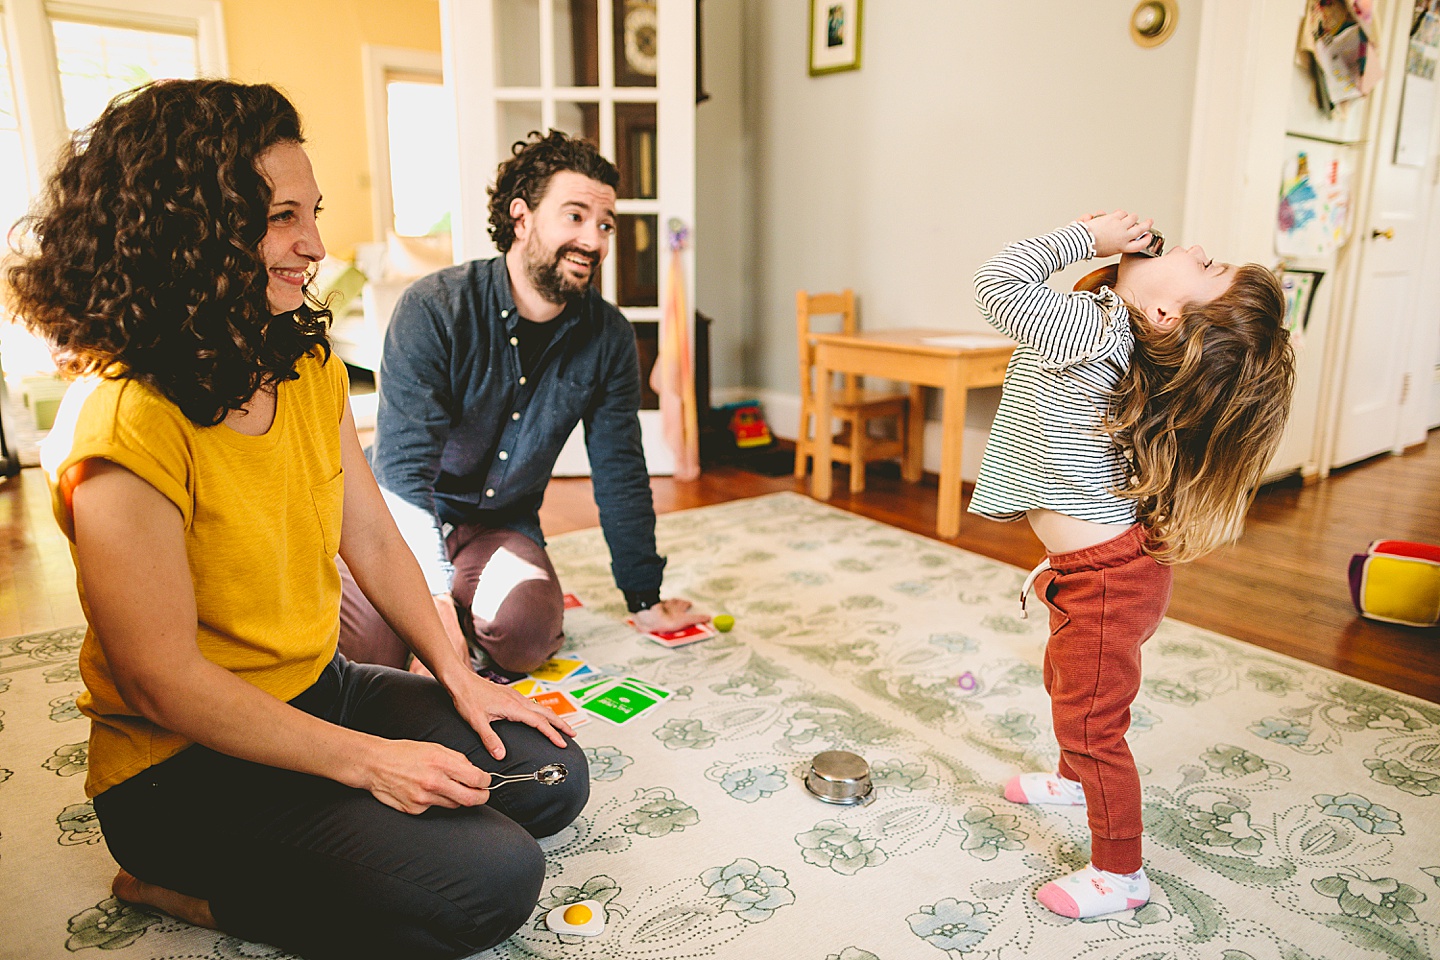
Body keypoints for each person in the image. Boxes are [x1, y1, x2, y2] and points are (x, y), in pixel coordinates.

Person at [9, 79, 587, 960]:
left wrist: (457, 675)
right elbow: (164, 681)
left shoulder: (305, 362)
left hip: (319, 687)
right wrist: (369, 763)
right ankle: (184, 891)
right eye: (284, 216)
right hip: (181, 769)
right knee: (492, 881)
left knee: (548, 775)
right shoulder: (123, 420)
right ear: (192, 225)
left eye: (310, 212)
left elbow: (373, 536)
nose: (314, 244)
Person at [968, 210, 1294, 919]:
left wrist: (1084, 235)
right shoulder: (1108, 325)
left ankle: (1121, 873)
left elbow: (998, 283)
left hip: (1105, 576)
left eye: (1208, 269)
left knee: (1093, 722)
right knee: (1067, 682)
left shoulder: (1096, 329)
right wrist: (1103, 258)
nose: (1198, 248)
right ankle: (1073, 781)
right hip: (1097, 567)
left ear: (1165, 313)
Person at [341, 129, 707, 679]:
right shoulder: (435, 310)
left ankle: (464, 605)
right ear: (522, 217)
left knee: (528, 633)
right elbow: (402, 474)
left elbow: (620, 470)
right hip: (401, 517)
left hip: (497, 525)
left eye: (605, 225)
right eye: (575, 216)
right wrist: (434, 598)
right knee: (372, 654)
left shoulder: (608, 337)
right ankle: (445, 601)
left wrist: (643, 595)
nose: (594, 239)